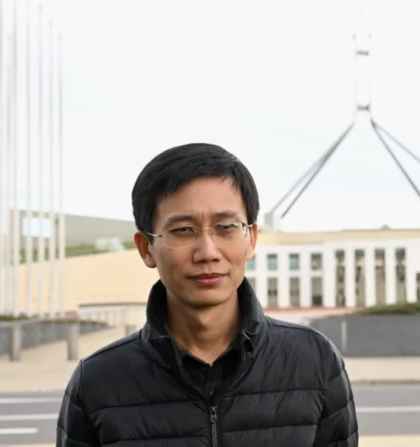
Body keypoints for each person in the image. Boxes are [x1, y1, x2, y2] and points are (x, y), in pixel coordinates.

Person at [56, 143, 358, 447]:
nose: (207, 252)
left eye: (225, 226)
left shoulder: (315, 362)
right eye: (184, 230)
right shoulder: (97, 382)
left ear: (251, 239)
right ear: (146, 248)